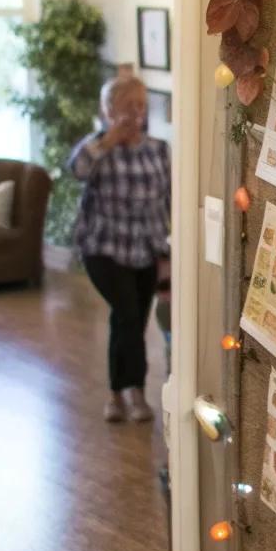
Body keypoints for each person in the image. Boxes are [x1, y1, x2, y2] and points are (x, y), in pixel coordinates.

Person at [68, 75, 170, 423]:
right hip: (103, 248)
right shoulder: (97, 148)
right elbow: (76, 169)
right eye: (127, 107)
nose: (135, 114)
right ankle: (133, 394)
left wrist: (166, 256)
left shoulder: (158, 150)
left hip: (144, 250)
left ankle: (119, 392)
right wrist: (107, 142)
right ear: (109, 110)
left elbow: (165, 205)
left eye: (140, 106)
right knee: (126, 313)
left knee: (134, 321)